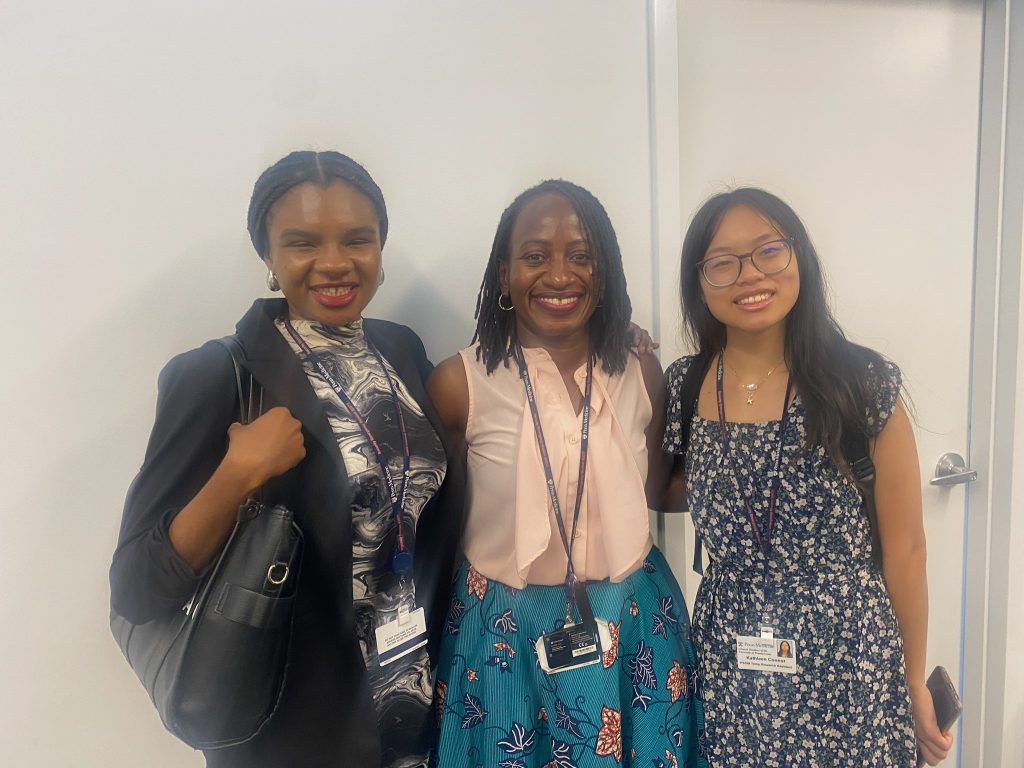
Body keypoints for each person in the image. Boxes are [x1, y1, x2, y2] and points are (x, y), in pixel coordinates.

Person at [109, 151, 464, 767]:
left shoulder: (401, 352)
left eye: (358, 239)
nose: (334, 262)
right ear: (268, 258)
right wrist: (235, 476)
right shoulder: (219, 375)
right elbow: (135, 587)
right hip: (298, 732)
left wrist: (612, 346)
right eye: (302, 243)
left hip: (416, 707)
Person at [661, 188, 953, 766]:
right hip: (731, 652)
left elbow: (907, 549)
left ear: (800, 258)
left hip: (849, 654)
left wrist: (913, 680)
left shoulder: (860, 383)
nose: (750, 275)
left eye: (769, 250)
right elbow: (661, 490)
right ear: (700, 281)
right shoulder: (684, 387)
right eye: (723, 262)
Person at [427, 180, 707, 768]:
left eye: (582, 256)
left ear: (603, 276)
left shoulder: (640, 368)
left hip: (634, 621)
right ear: (503, 275)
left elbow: (655, 487)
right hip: (506, 632)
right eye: (535, 256)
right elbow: (440, 516)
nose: (560, 274)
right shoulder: (460, 384)